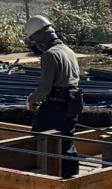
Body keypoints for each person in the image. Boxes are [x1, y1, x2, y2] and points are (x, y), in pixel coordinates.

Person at [23, 15, 83, 178]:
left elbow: (44, 89)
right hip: (74, 102)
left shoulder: (49, 55)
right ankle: (71, 174)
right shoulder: (68, 51)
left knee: (39, 137)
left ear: (39, 38)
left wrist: (30, 100)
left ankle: (41, 174)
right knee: (66, 140)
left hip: (57, 104)